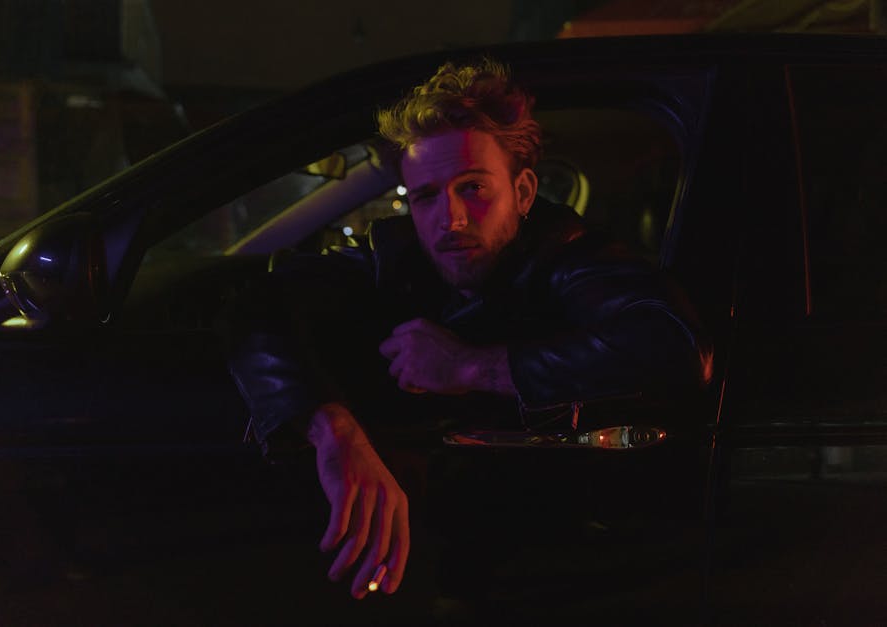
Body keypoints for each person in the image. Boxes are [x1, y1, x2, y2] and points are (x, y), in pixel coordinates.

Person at [226, 58, 712, 601]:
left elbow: (673, 344)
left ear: (523, 193)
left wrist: (470, 367)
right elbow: (254, 303)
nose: (450, 219)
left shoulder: (569, 258)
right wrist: (332, 432)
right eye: (426, 196)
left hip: (571, 565)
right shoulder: (395, 256)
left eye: (474, 187)